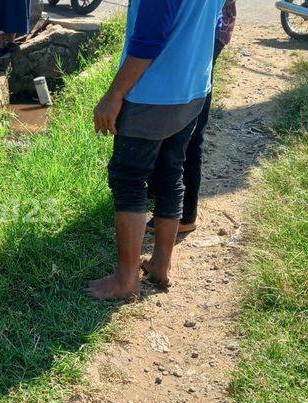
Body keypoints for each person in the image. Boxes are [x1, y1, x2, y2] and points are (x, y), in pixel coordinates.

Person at [86, 0, 226, 300]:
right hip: (194, 88)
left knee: (128, 179)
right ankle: (161, 264)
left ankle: (125, 281)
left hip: (152, 95)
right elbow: (216, 23)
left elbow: (149, 40)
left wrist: (114, 94)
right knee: (170, 173)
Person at [148, 0, 238, 234]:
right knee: (187, 125)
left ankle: (183, 214)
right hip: (205, 30)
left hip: (202, 31)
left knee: (189, 129)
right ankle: (176, 209)